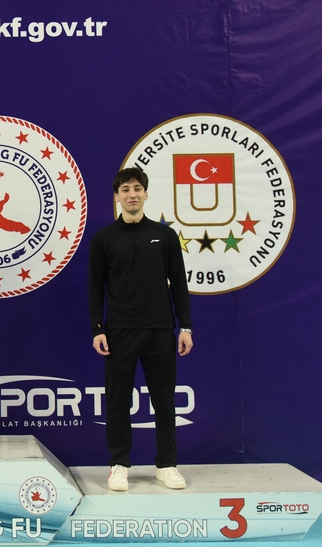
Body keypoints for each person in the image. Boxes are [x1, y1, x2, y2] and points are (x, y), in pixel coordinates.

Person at [88, 166, 193, 492]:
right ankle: (119, 465)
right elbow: (95, 288)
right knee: (118, 401)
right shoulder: (104, 239)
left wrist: (185, 327)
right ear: (116, 196)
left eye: (137, 189)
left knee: (164, 400)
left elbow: (179, 284)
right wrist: (97, 328)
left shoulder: (165, 236)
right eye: (125, 190)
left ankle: (167, 465)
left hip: (160, 330)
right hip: (119, 332)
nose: (131, 194)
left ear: (146, 194)